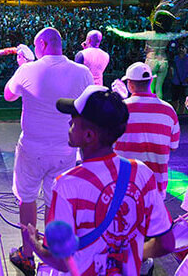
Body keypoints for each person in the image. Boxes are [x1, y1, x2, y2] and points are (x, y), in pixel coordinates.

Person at [26, 85, 175, 276]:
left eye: (74, 121)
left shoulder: (67, 185)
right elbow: (167, 243)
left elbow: (62, 261)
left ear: (89, 135)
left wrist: (36, 245)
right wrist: (131, 255)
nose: (69, 122)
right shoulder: (141, 173)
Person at [4, 27, 94, 275]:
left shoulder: (27, 69)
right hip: (66, 148)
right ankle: (52, 254)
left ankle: (27, 253)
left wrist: (22, 67)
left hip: (32, 148)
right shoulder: (82, 72)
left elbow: (8, 95)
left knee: (27, 198)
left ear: (42, 44)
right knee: (55, 201)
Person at [113, 62, 180, 200]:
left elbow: (108, 145)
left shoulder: (119, 110)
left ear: (130, 84)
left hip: (124, 187)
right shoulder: (169, 111)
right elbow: (173, 146)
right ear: (151, 81)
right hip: (156, 187)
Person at [170, 46, 188, 114]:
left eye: (183, 48)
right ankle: (174, 113)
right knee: (175, 99)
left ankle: (181, 114)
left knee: (183, 100)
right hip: (175, 82)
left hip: (185, 83)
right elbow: (171, 69)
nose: (181, 50)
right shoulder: (175, 58)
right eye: (180, 48)